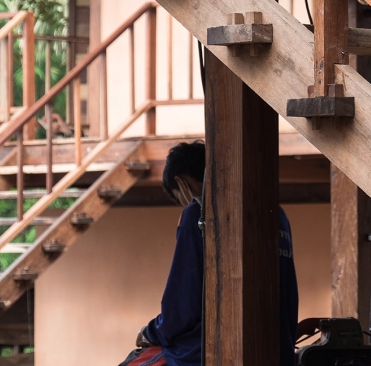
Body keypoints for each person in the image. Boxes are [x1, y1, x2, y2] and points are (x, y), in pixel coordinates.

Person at [123, 141, 299, 366]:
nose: (186, 205)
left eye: (180, 199)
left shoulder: (198, 213)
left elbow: (182, 307)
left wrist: (150, 332)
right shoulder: (277, 214)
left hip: (214, 353)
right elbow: (290, 293)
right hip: (278, 351)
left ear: (182, 183)